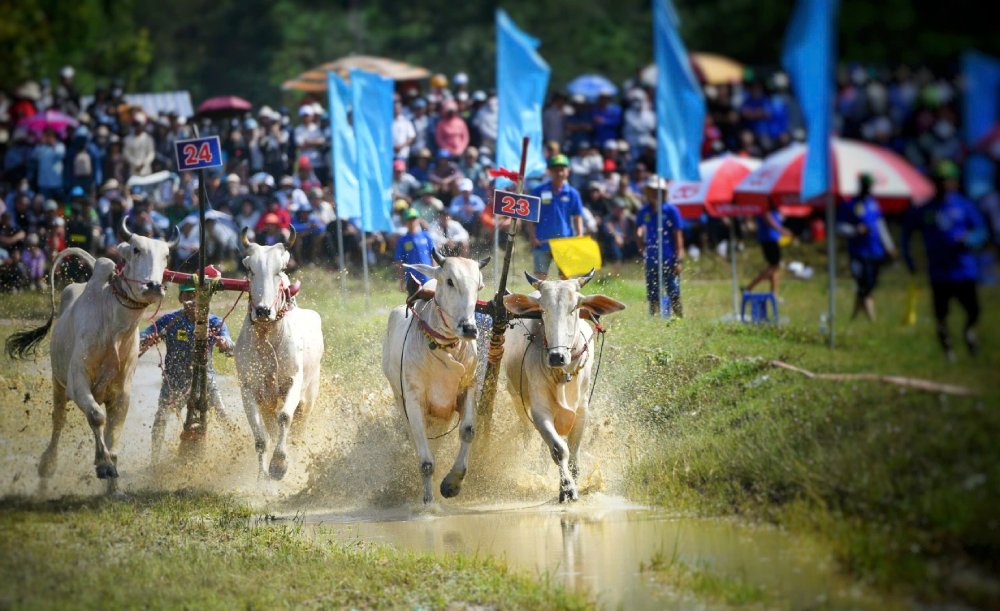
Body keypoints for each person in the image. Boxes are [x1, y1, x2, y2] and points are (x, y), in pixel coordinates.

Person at [901, 160, 989, 360]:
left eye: (948, 180)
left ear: (955, 182)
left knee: (973, 311)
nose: (944, 184)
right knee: (941, 314)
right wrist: (909, 259)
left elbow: (982, 231)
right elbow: (906, 233)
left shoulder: (964, 205)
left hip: (964, 270)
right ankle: (947, 348)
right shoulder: (925, 209)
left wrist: (969, 239)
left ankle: (969, 331)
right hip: (939, 272)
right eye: (940, 180)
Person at [139, 284, 236, 462]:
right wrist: (147, 339)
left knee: (223, 415)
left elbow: (231, 346)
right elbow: (142, 336)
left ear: (205, 298)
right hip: (174, 381)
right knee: (160, 419)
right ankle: (154, 461)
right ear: (181, 298)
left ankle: (236, 455)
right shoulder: (169, 320)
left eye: (198, 296)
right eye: (189, 295)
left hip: (205, 381)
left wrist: (224, 343)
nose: (193, 300)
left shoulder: (214, 321)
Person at [837, 173, 897, 320]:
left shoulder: (873, 204)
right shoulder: (850, 204)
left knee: (870, 284)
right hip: (858, 251)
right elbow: (839, 226)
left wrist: (889, 246)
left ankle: (854, 316)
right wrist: (856, 230)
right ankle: (871, 318)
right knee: (864, 284)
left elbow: (881, 226)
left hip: (876, 251)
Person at [528, 154, 584, 279]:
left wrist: (580, 235)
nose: (559, 173)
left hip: (565, 243)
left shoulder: (573, 193)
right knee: (539, 279)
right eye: (556, 169)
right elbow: (530, 216)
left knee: (566, 279)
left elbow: (577, 216)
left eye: (562, 169)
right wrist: (532, 236)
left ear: (567, 171)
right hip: (542, 242)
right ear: (550, 171)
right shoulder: (539, 191)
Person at [636, 176, 684, 317]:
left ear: (663, 192)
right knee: (652, 294)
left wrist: (679, 260)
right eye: (651, 190)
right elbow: (637, 230)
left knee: (674, 292)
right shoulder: (644, 211)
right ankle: (654, 322)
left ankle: (680, 320)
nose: (653, 193)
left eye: (657, 190)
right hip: (651, 258)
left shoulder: (671, 211)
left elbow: (678, 237)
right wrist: (641, 247)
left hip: (670, 259)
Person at [744, 201, 793, 297]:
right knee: (774, 267)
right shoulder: (765, 203)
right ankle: (749, 287)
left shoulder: (772, 205)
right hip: (768, 238)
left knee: (776, 267)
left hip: (773, 238)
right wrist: (781, 230)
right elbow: (767, 218)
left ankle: (773, 294)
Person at [394, 207, 435, 291]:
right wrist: (401, 281)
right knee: (415, 303)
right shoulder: (403, 240)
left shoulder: (426, 236)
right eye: (409, 219)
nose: (412, 221)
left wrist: (435, 275)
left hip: (428, 277)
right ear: (405, 221)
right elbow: (400, 262)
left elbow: (433, 256)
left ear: (418, 219)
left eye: (414, 218)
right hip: (412, 279)